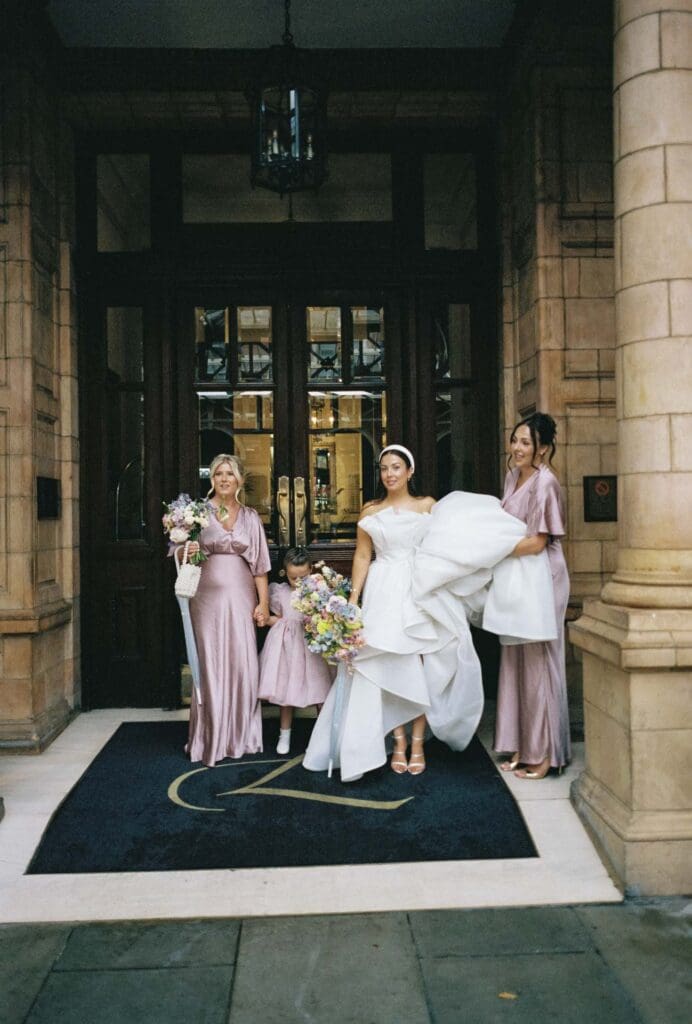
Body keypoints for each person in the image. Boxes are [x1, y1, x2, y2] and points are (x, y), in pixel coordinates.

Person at [302, 443, 557, 783]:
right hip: (382, 589)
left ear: (409, 472)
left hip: (420, 588)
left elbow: (450, 546)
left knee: (422, 664)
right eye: (384, 468)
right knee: (384, 663)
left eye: (396, 467)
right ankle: (398, 742)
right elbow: (363, 556)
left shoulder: (428, 507)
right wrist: (353, 599)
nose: (390, 474)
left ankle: (418, 742)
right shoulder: (369, 511)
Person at [494, 413, 571, 779]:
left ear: (542, 447)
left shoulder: (546, 483)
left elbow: (539, 541)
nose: (519, 448)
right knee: (516, 658)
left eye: (527, 443)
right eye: (515, 440)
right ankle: (523, 744)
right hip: (518, 573)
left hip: (543, 575)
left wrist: (493, 550)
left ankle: (545, 755)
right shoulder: (512, 477)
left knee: (539, 662)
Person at [183, 453, 271, 766]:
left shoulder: (250, 517)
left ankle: (241, 736)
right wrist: (187, 547)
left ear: (240, 480)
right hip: (205, 597)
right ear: (212, 479)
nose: (224, 479)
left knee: (242, 661)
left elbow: (260, 565)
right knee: (210, 663)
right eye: (218, 473)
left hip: (242, 596)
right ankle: (210, 738)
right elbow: (183, 557)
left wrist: (262, 603)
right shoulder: (196, 514)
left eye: (230, 474)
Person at [258, 547, 333, 755]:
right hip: (288, 646)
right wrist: (267, 619)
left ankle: (323, 736)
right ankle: (285, 734)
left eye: (304, 577)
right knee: (286, 691)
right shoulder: (280, 592)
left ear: (311, 571)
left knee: (320, 689)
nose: (299, 583)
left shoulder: (319, 591)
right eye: (293, 578)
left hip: (312, 646)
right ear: (285, 573)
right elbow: (277, 617)